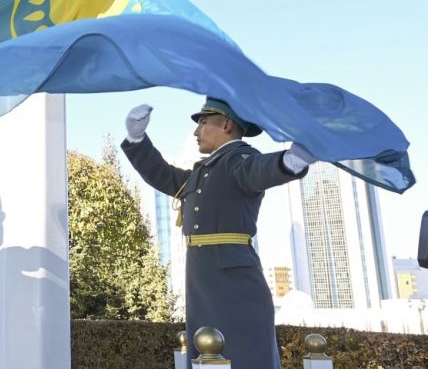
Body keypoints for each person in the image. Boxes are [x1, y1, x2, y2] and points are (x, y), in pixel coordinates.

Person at [121, 97, 316, 368]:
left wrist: (291, 162)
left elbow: (258, 172)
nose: (196, 132)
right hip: (204, 278)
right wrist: (136, 139)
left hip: (232, 282)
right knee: (206, 352)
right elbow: (163, 175)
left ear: (226, 124)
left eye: (202, 123)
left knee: (242, 354)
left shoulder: (239, 159)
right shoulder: (205, 171)